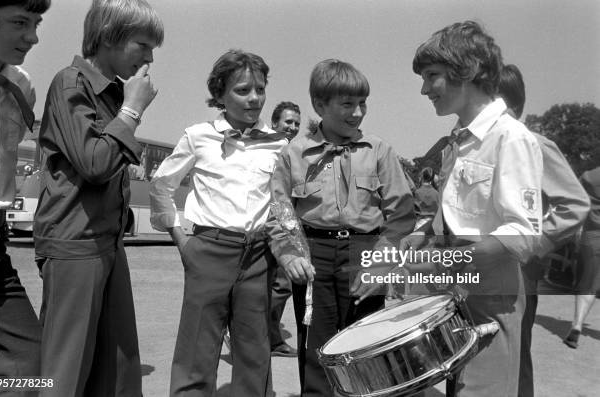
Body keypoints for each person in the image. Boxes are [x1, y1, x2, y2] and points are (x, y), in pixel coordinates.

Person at [407, 21, 543, 396]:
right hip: (453, 296)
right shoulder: (461, 140)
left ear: (466, 71)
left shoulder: (510, 138)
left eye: (431, 76)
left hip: (491, 301)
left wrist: (444, 263)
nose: (424, 88)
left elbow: (522, 235)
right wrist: (423, 234)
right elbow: (456, 210)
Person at [33, 0, 162, 395]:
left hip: (106, 241)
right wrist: (133, 112)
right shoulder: (70, 83)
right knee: (63, 372)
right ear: (108, 36)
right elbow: (94, 163)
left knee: (119, 372)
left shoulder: (111, 95)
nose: (150, 58)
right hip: (75, 243)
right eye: (142, 45)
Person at [269, 59, 416, 396]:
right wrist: (290, 254)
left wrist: (379, 264)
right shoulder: (294, 154)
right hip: (313, 255)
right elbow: (280, 212)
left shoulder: (379, 150)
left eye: (362, 103)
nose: (358, 112)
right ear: (320, 105)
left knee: (365, 348)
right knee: (315, 348)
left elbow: (402, 215)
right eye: (347, 104)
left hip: (365, 252)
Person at [150, 49, 287, 397]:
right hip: (209, 250)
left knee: (254, 349)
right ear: (220, 94)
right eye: (243, 90)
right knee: (198, 347)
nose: (254, 97)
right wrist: (182, 240)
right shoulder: (199, 136)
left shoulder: (279, 144)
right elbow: (161, 185)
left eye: (260, 88)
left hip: (258, 254)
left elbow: (284, 203)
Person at [499, 63, 590, 396]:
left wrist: (531, 246)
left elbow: (573, 206)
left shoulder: (533, 144)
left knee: (513, 359)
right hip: (475, 269)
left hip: (517, 270)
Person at [0, 0, 50, 391]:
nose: (33, 36)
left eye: (36, 23)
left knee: (32, 364)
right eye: (19, 22)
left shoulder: (22, 84)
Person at [268, 101, 301, 357]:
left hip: (282, 225)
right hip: (272, 226)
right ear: (275, 121)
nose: (293, 127)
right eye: (288, 122)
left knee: (279, 285)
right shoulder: (267, 148)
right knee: (281, 286)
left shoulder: (294, 152)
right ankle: (269, 339)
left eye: (297, 124)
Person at [563, 165, 600, 349]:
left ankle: (577, 326)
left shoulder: (588, 176)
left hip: (592, 236)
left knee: (588, 284)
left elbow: (574, 203)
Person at [413, 166, 439, 231]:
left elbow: (414, 211)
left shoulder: (417, 192)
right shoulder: (436, 193)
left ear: (422, 176)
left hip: (420, 224)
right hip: (433, 225)